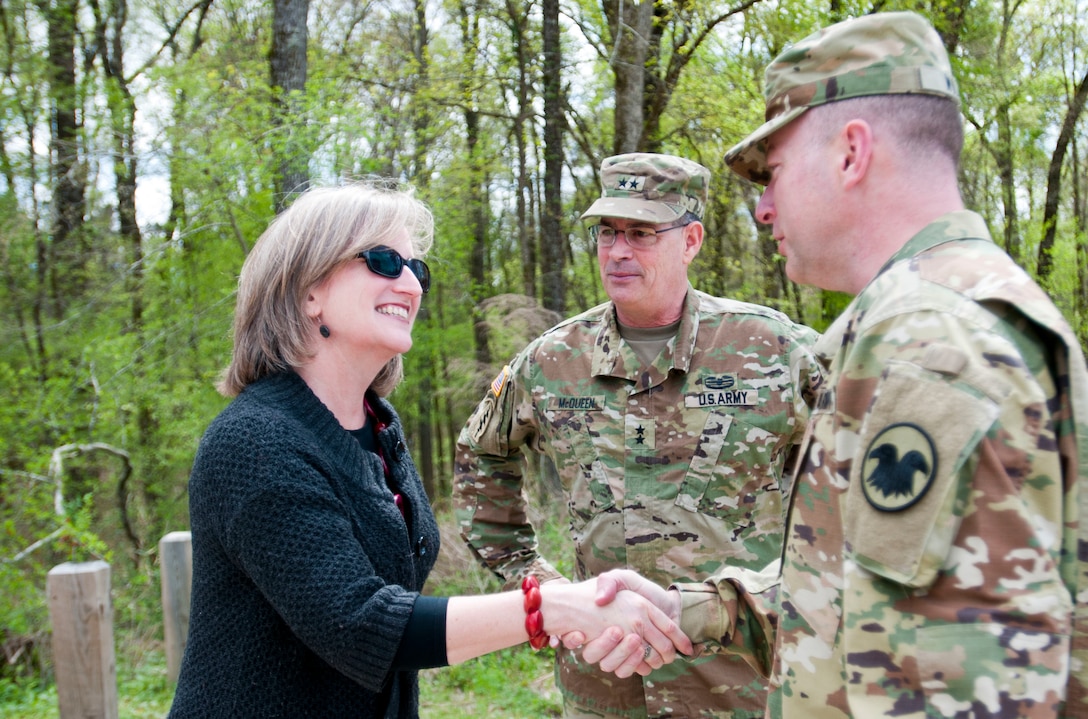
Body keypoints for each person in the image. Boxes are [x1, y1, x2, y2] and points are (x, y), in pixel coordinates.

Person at [586, 11, 1088, 717]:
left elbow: (966, 685)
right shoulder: (925, 316)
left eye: (774, 171)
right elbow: (863, 602)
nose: (762, 208)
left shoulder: (929, 341)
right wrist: (693, 608)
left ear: (851, 153)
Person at [166, 182, 691, 719]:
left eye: (418, 270)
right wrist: (549, 607)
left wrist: (582, 609)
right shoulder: (254, 441)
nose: (411, 284)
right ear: (308, 289)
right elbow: (361, 624)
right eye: (384, 261)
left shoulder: (378, 424)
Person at [454, 153, 823, 718]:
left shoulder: (774, 351)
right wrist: (538, 584)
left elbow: (860, 466)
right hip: (606, 682)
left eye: (643, 233)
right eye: (608, 232)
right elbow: (481, 457)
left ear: (691, 239)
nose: (619, 251)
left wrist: (802, 584)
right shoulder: (553, 360)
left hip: (740, 682)